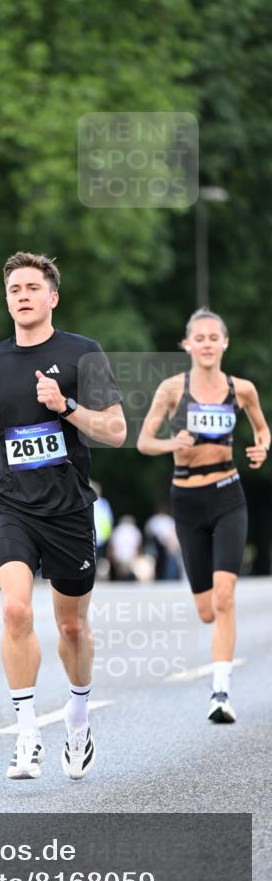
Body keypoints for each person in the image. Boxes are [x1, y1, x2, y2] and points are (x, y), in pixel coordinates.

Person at [0, 251, 126, 781]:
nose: (23, 296)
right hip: (11, 505)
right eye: (14, 289)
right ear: (7, 299)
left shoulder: (83, 354)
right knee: (15, 612)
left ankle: (77, 719)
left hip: (69, 510)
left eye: (33, 287)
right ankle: (26, 731)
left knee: (72, 625)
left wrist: (67, 408)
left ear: (53, 297)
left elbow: (117, 431)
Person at [137, 308, 270, 723]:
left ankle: (220, 693)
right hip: (187, 500)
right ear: (187, 345)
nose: (208, 343)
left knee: (226, 597)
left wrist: (262, 446)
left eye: (215, 337)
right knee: (207, 610)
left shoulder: (242, 389)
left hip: (228, 494)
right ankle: (218, 677)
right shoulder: (172, 390)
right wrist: (171, 442)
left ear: (224, 344)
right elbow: (143, 441)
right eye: (201, 337)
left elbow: (262, 429)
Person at [108, 515, 143, 581]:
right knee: (129, 573)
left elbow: (112, 545)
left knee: (121, 574)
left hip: (118, 556)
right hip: (131, 556)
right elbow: (138, 545)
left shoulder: (117, 530)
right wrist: (139, 555)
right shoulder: (134, 530)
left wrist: (110, 555)